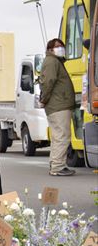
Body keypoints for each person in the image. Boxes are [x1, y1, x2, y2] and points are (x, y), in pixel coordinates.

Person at [39, 38, 76, 176]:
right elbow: (48, 82)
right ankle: (58, 167)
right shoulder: (52, 62)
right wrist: (44, 99)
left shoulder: (54, 61)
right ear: (50, 49)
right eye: (57, 46)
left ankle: (56, 164)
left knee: (57, 137)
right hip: (58, 105)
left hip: (57, 104)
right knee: (62, 136)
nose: (60, 48)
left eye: (62, 46)